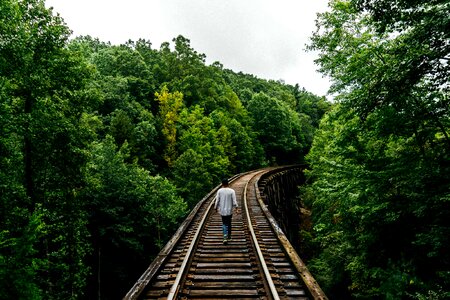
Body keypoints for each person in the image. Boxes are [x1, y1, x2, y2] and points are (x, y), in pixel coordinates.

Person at [214, 178, 238, 244]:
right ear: (228, 183)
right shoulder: (232, 191)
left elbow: (217, 200)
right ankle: (229, 237)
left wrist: (215, 207)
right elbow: (234, 201)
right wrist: (236, 208)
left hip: (222, 211)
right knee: (229, 222)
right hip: (229, 210)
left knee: (224, 223)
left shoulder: (219, 191)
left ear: (222, 184)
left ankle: (225, 237)